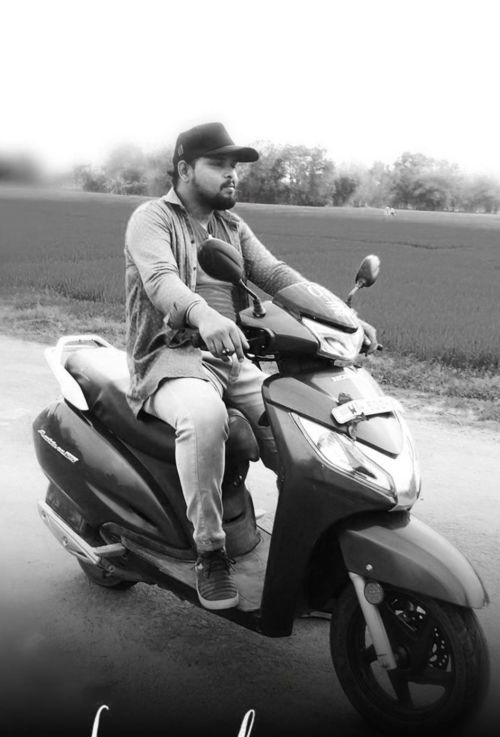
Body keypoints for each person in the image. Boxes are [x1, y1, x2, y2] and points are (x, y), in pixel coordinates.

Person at [125, 121, 377, 611]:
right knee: (204, 416)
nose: (232, 174)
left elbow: (276, 274)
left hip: (232, 359)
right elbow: (160, 281)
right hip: (170, 357)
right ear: (184, 169)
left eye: (234, 166)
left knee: (300, 428)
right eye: (218, 164)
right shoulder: (152, 219)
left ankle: (319, 552)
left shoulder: (232, 227)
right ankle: (209, 553)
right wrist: (204, 315)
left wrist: (342, 319)